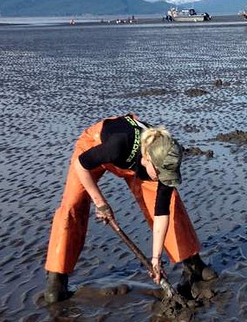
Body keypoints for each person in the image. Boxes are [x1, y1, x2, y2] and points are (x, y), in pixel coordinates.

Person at [44, 114, 216, 304]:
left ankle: (193, 264)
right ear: (148, 159)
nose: (163, 179)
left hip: (136, 158)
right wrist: (100, 203)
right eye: (161, 174)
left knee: (171, 201)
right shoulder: (118, 145)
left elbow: (162, 212)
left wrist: (156, 259)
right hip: (94, 146)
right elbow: (81, 165)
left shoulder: (165, 155)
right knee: (72, 206)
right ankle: (57, 278)